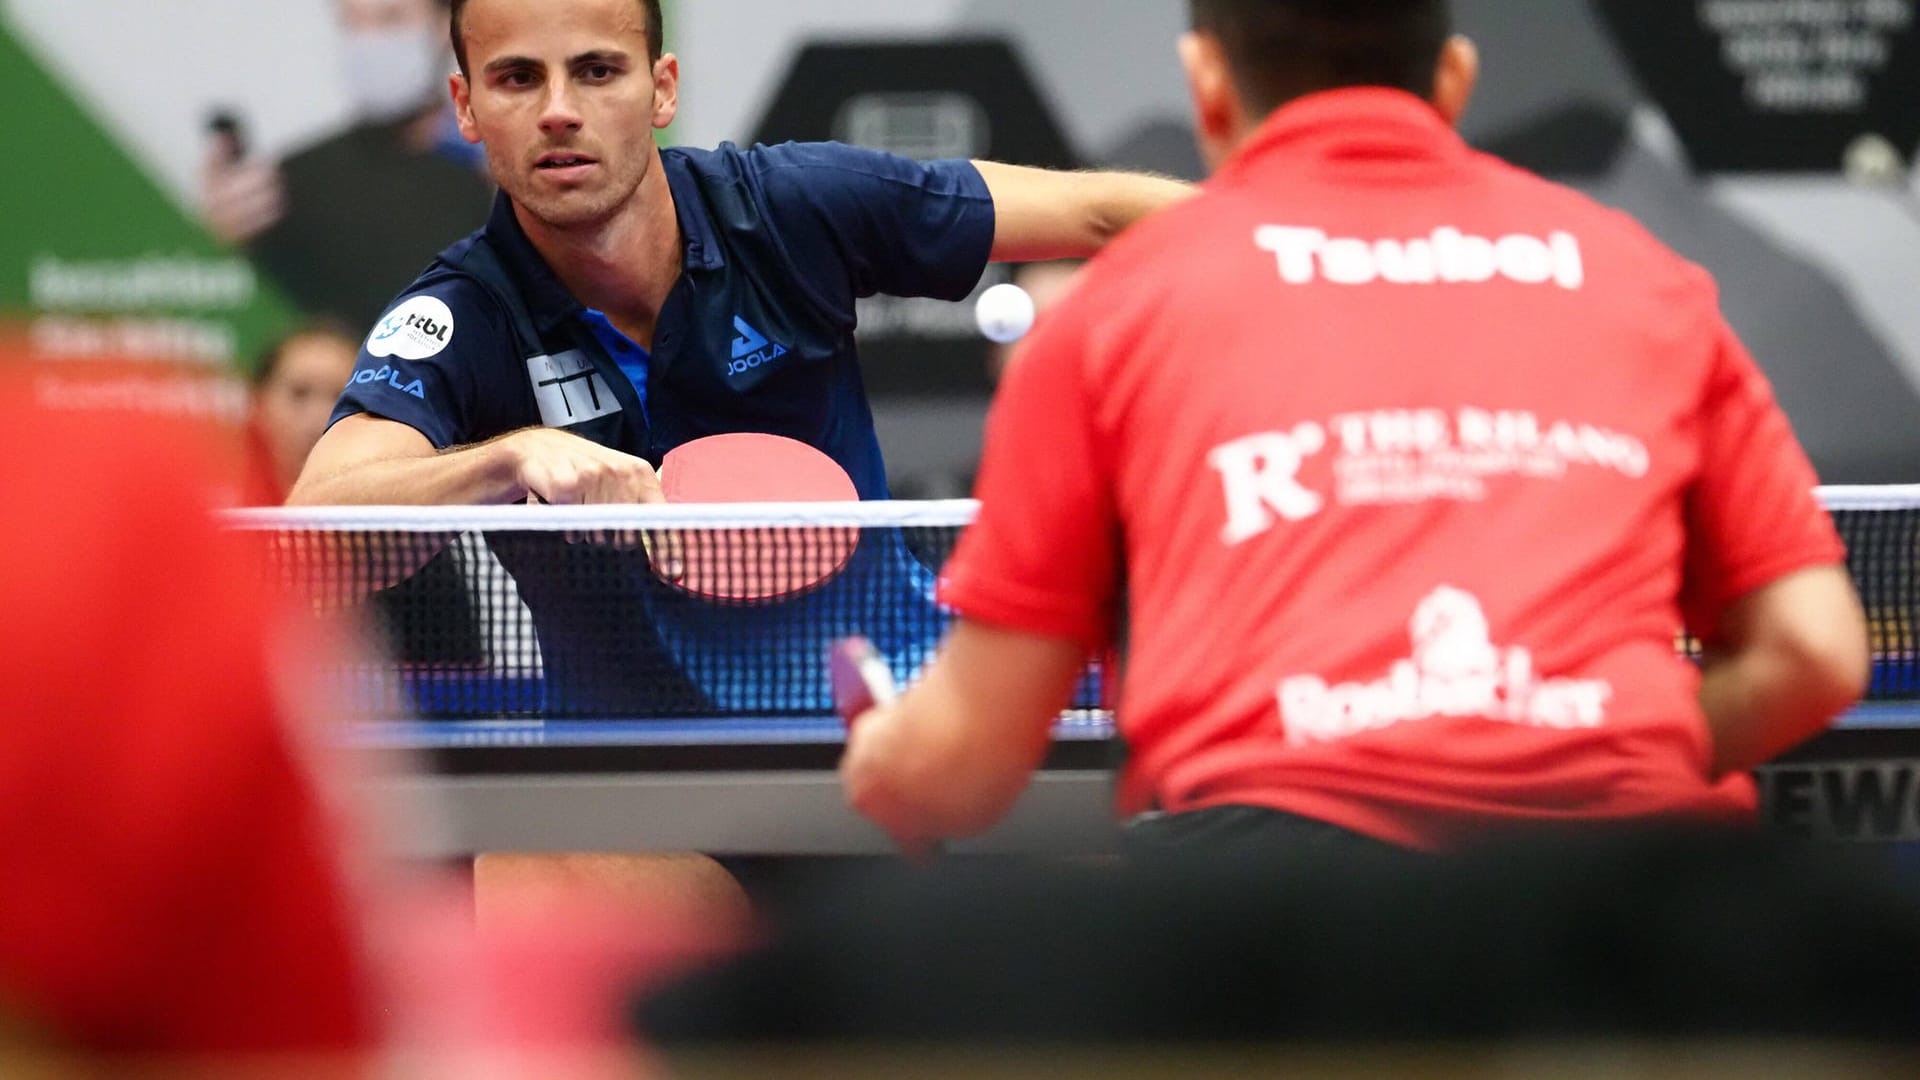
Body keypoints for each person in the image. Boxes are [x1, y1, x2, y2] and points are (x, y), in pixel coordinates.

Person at [838, 0, 1871, 858]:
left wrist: (889, 754)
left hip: (1280, 875)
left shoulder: (1114, 308)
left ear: (1207, 84)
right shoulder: (1640, 272)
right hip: (1633, 877)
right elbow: (1816, 655)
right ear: (1455, 79)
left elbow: (960, 770)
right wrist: (1589, 746)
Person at [0, 377, 381, 1063]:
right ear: (262, 405)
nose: (314, 410)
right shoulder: (121, 495)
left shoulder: (121, 507)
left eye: (330, 392)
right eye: (299, 390)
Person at [204, 0, 495, 327]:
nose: (369, 41)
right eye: (353, 22)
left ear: (447, 28)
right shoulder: (298, 182)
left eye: (390, 19)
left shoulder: (494, 166)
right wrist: (233, 238)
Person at [247, 322, 362, 501]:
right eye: (299, 394)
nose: (319, 418)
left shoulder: (386, 517)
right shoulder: (212, 509)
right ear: (258, 402)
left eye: (339, 396)